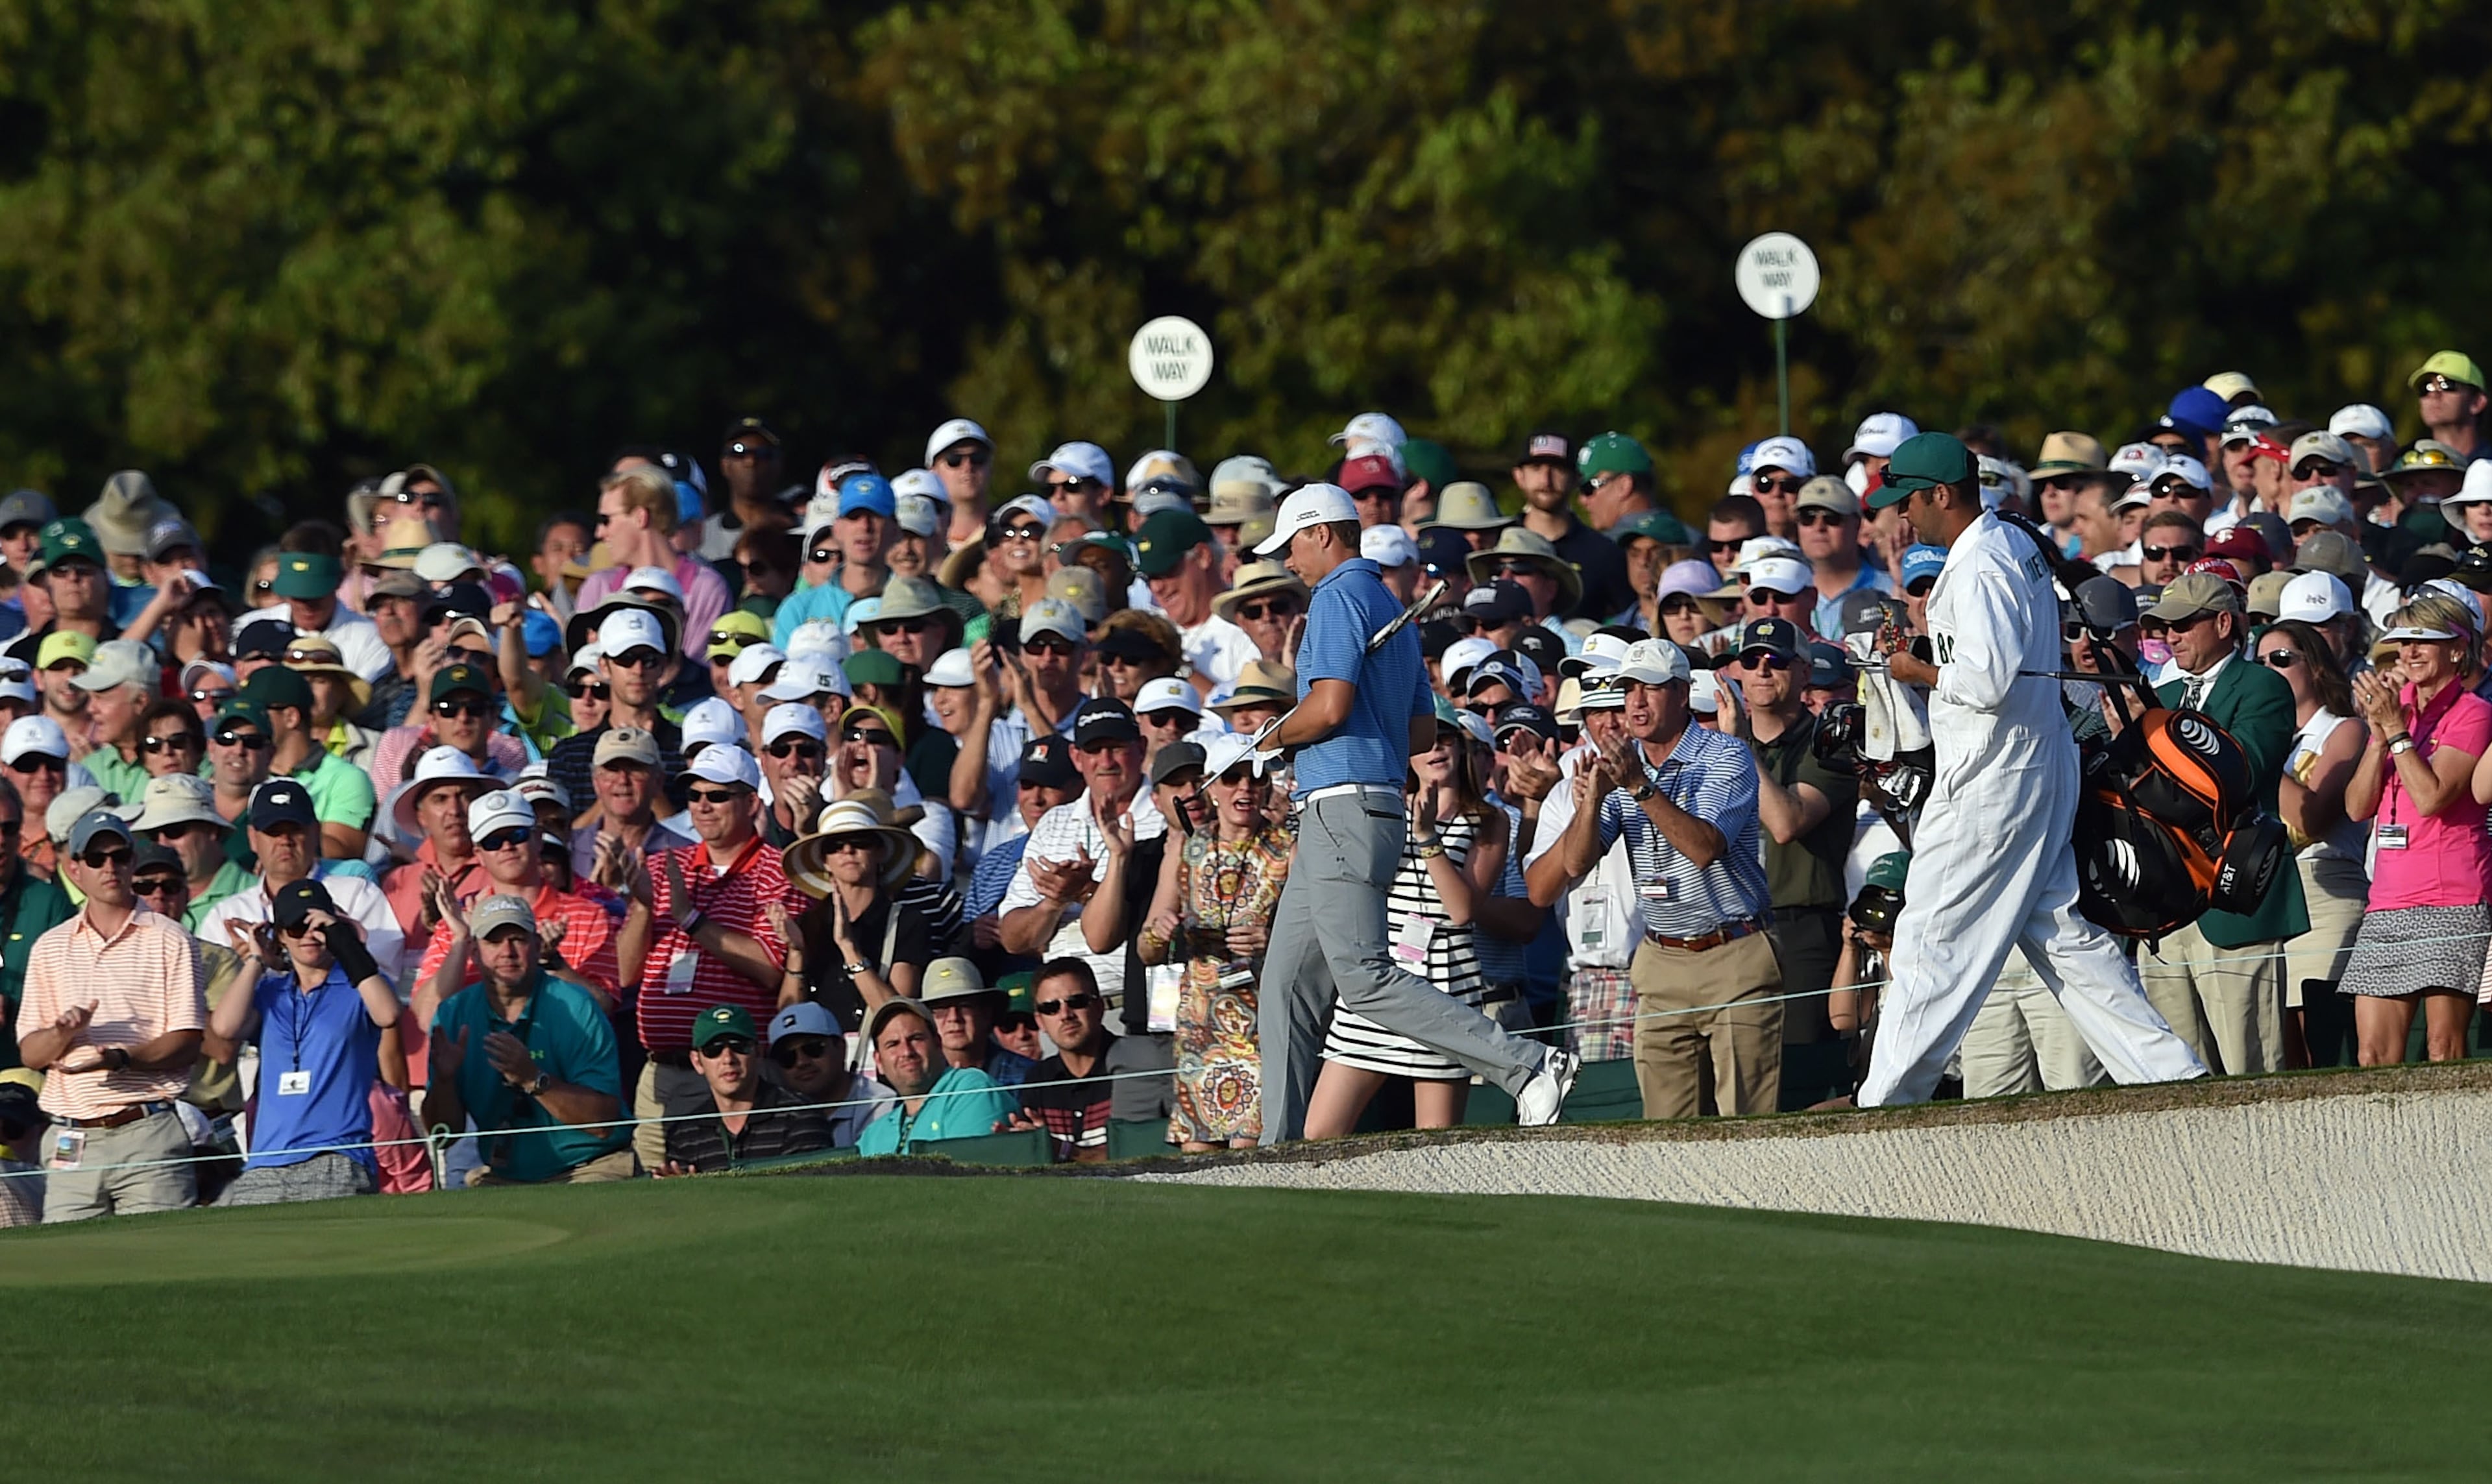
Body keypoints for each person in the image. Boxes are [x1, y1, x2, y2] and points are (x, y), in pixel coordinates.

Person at [1854, 433, 2207, 1105]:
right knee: (2068, 941)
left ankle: (1885, 1102)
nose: (1904, 516)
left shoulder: (1982, 561)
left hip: (1993, 777)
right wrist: (1933, 652)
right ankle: (2171, 1077)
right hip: (2034, 764)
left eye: (1909, 500)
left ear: (1941, 493)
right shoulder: (2011, 543)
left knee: (1932, 938)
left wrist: (1913, 668)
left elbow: (1986, 680)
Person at [1249, 483, 1576, 1143]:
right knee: (1284, 987)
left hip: (1344, 807)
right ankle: (1273, 1154)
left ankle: (1527, 1063)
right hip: (1344, 812)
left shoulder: (1338, 597)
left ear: (1321, 533)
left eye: (1291, 545)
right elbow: (1423, 731)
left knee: (1364, 979)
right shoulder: (1384, 602)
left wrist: (1270, 737)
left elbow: (1332, 706)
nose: (1288, 561)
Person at [1534, 641, 1781, 1115]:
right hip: (1661, 958)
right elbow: (1575, 864)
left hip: (1735, 953)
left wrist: (1638, 788)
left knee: (1748, 1126)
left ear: (1683, 693)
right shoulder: (1625, 763)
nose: (1636, 701)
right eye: (1628, 688)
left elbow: (1704, 847)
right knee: (1665, 1130)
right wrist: (1591, 801)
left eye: (1651, 687)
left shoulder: (1725, 755)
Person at [1306, 698, 1508, 1135]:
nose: (1436, 748)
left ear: (1461, 747)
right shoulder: (1384, 811)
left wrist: (1427, 837)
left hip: (1446, 987)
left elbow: (1461, 909)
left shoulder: (1490, 820)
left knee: (1435, 1146)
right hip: (1379, 983)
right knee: (1318, 1136)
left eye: (1446, 737)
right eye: (1423, 740)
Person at [2133, 574, 2306, 1076]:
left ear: (2225, 622)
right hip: (2166, 906)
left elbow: (2239, 770)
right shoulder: (2157, 693)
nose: (2172, 636)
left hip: (2236, 896)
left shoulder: (2262, 685)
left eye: (2183, 624)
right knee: (2175, 1073)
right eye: (2164, 627)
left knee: (2250, 1066)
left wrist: (2148, 738)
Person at [14, 809, 206, 1221]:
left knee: (160, 1264)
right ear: (75, 869)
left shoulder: (172, 939)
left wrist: (122, 1058)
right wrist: (62, 1033)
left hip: (148, 1128)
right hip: (71, 1134)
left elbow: (188, 1041)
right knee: (66, 1270)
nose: (110, 867)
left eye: (119, 856)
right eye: (96, 859)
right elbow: (32, 1052)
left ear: (132, 862)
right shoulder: (49, 947)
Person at [616, 742, 798, 1171]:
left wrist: (691, 919)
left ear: (751, 801)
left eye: (717, 795)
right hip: (664, 1071)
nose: (702, 806)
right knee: (656, 1194)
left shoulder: (775, 869)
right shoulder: (663, 866)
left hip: (737, 1070)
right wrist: (643, 906)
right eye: (694, 795)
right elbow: (625, 972)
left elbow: (771, 967)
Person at [2336, 598, 2491, 1064]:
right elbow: (2357, 806)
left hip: (2454, 897)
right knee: (2372, 1055)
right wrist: (2381, 737)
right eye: (2404, 641)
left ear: (2458, 650)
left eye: (2424, 641)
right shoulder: (2397, 708)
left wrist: (2395, 730)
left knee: (2445, 1048)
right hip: (2388, 899)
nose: (2410, 651)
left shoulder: (2474, 713)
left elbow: (2433, 796)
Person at [1720, 617, 1857, 1086]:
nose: (1762, 669)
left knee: (1800, 1079)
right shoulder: (1716, 746)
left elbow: (1787, 822)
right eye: (1751, 660)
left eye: (1776, 660)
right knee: (1738, 1079)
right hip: (1733, 933)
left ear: (1803, 673)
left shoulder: (1832, 742)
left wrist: (1738, 747)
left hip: (1803, 929)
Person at [203, 881, 398, 1205]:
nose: (309, 935)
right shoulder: (270, 991)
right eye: (296, 927)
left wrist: (344, 941)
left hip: (335, 1156)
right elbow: (225, 1027)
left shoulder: (359, 985)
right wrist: (256, 960)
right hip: (266, 1161)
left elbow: (388, 1013)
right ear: (280, 936)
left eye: (317, 925)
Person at [1139, 735, 1288, 1150]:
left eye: (1255, 778)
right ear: (1212, 787)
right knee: (1197, 1157)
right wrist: (1159, 931)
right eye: (1232, 778)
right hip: (1199, 1028)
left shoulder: (1288, 848)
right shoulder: (1188, 847)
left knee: (1249, 1151)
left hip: (1261, 1024)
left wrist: (1271, 939)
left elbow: (1317, 937)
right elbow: (1146, 949)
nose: (1245, 788)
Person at [423, 893, 633, 1185]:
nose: (507, 951)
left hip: (593, 1166)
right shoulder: (452, 1015)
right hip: (505, 1175)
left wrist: (532, 1078)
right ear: (473, 951)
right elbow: (444, 1134)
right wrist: (444, 1083)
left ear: (537, 946)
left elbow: (603, 1123)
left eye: (518, 939)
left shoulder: (577, 1006)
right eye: (493, 941)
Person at [2258, 618, 2367, 1069]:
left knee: (2318, 1040)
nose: (2268, 669)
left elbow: (2315, 815)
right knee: (2278, 1043)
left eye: (2281, 659)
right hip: (2266, 891)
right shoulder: (2265, 734)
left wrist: (2256, 755)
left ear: (2316, 667)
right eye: (2259, 662)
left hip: (2324, 888)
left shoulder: (2343, 729)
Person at [578, 465, 731, 663]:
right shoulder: (598, 587)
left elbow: (696, 669)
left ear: (641, 517)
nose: (599, 533)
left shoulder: (706, 587)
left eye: (606, 519)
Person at [657, 1004, 833, 1174]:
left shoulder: (801, 1117)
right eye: (714, 1050)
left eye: (739, 1046)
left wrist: (702, 1194)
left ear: (758, 1053)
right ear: (697, 1062)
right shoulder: (685, 1135)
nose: (728, 1059)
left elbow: (808, 1194)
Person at [852, 997, 1018, 1155]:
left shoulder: (971, 1091)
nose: (906, 1052)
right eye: (893, 1044)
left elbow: (971, 1178)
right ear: (879, 1062)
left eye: (916, 1039)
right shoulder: (873, 1135)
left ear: (938, 1044)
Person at [1132, 508, 1258, 696]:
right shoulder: (1146, 630)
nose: (1156, 588)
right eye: (1149, 577)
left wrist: (1179, 668)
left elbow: (1244, 719)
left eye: (1167, 571)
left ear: (1202, 556)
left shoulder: (1249, 624)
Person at [1004, 957, 1119, 1162]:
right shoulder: (1038, 1080)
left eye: (1077, 1002)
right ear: (1040, 1022)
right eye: (1051, 1008)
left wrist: (1063, 1151)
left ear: (1099, 1007)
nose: (1065, 1015)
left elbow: (1145, 1153)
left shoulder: (1133, 1065)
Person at [0, 777, 72, 1067]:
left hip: (27, 1080)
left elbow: (72, 999)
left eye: (9, 828)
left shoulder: (50, 904)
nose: (1, 839)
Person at [764, 1000, 887, 1148]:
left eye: (814, 1048)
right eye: (787, 1057)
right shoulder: (774, 1116)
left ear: (841, 1048)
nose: (801, 1062)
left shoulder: (879, 1105)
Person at [917, 956, 1035, 1087]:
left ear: (986, 1013)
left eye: (965, 1007)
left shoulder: (1030, 1076)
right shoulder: (918, 1079)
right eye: (941, 1010)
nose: (954, 1017)